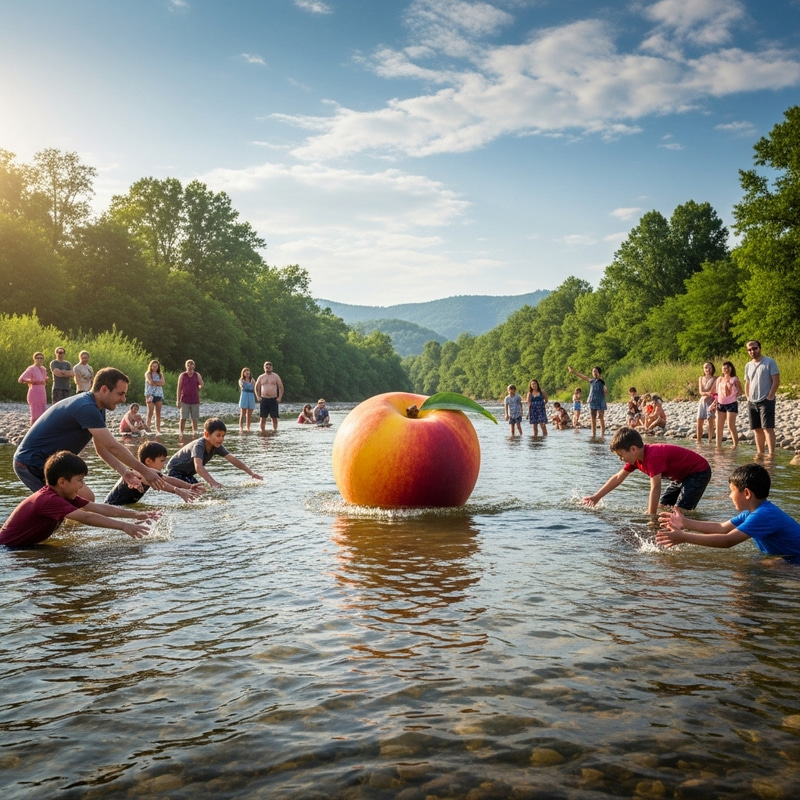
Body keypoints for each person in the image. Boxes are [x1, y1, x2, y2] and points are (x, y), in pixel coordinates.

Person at [13, 367, 166, 501]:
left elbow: (102, 449)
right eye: (120, 394)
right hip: (31, 463)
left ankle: (69, 532)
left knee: (87, 499)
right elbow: (112, 446)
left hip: (54, 465)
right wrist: (145, 471)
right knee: (62, 507)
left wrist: (124, 473)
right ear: (104, 389)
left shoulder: (98, 408)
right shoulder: (86, 407)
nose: (123, 399)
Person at [0, 451, 159, 548]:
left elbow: (98, 508)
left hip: (23, 546)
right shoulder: (49, 499)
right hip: (8, 549)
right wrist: (124, 527)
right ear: (62, 482)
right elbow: (87, 517)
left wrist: (137, 515)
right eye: (80, 480)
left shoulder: (63, 495)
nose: (82, 485)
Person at [657, 464, 800, 563]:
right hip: (790, 556)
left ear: (747, 493)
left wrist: (684, 537)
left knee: (764, 566)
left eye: (732, 491)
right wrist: (686, 522)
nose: (730, 496)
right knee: (761, 565)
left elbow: (728, 541)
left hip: (795, 559)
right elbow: (721, 527)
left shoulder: (763, 515)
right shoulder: (752, 512)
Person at [581, 427, 711, 516]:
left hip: (698, 472)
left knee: (681, 511)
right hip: (680, 477)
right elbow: (618, 478)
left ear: (633, 449)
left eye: (621, 455)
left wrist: (651, 517)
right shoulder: (636, 459)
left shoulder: (652, 457)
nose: (621, 459)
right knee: (663, 507)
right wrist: (596, 497)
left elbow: (655, 487)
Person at [164, 417, 263, 488]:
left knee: (200, 490)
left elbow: (232, 459)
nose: (221, 439)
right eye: (218, 435)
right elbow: (198, 467)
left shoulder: (216, 446)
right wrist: (213, 482)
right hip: (173, 472)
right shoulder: (199, 445)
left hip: (186, 473)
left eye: (223, 436)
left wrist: (251, 473)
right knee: (198, 491)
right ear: (207, 434)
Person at [105, 441, 204, 506]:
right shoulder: (140, 473)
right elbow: (162, 484)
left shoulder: (150, 472)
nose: (164, 465)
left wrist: (189, 486)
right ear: (148, 461)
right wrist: (179, 491)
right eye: (162, 461)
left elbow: (168, 479)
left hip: (122, 506)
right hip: (112, 506)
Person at [744, 340, 780, 456]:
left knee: (767, 428)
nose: (752, 351)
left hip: (766, 400)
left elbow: (776, 380)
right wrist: (748, 397)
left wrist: (770, 396)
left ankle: (771, 454)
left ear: (760, 348)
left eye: (754, 348)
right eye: (749, 350)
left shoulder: (769, 362)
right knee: (757, 429)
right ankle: (760, 453)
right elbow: (747, 383)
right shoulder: (748, 365)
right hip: (752, 401)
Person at [567, 366, 606, 436]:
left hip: (600, 401)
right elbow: (583, 376)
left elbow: (605, 390)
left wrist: (605, 391)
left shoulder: (601, 382)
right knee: (593, 418)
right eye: (593, 371)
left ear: (599, 373)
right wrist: (573, 371)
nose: (594, 373)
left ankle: (602, 435)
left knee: (601, 417)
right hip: (592, 401)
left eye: (595, 371)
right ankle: (593, 434)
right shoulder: (592, 381)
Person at [715, 361, 742, 447]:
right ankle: (718, 445)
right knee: (719, 425)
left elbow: (740, 391)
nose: (726, 369)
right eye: (724, 368)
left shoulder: (734, 379)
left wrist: (732, 392)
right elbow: (717, 392)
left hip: (731, 403)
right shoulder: (719, 379)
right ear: (722, 369)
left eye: (728, 367)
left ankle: (735, 444)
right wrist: (714, 403)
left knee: (730, 425)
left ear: (731, 368)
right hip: (720, 403)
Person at [18, 352, 49, 425]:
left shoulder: (43, 369)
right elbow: (21, 379)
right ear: (34, 359)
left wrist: (44, 380)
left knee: (42, 411)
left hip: (42, 392)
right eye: (37, 358)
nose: (39, 359)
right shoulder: (31, 368)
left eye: (41, 358)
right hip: (34, 391)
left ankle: (40, 427)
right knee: (35, 412)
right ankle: (33, 427)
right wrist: (32, 381)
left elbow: (43, 379)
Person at [254, 361, 284, 433]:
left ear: (272, 368)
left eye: (269, 367)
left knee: (274, 417)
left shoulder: (276, 376)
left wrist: (279, 397)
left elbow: (281, 387)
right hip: (264, 399)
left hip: (273, 399)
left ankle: (275, 430)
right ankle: (262, 431)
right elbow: (256, 387)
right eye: (266, 367)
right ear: (264, 368)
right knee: (263, 417)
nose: (268, 368)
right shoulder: (261, 377)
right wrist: (258, 396)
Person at [176, 359, 204, 436]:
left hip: (195, 400)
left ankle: (194, 433)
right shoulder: (182, 375)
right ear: (186, 366)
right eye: (188, 365)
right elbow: (179, 388)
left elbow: (202, 384)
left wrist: (199, 387)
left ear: (194, 366)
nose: (189, 366)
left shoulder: (197, 375)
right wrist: (178, 401)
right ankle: (181, 433)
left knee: (194, 418)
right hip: (184, 399)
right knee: (183, 418)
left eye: (191, 365)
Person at [696, 362, 717, 444]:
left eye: (709, 367)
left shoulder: (716, 378)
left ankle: (710, 440)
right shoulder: (701, 378)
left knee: (711, 420)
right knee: (699, 419)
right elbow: (701, 392)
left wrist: (709, 393)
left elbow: (714, 391)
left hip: (711, 400)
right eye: (705, 367)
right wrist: (707, 393)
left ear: (712, 369)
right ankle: (698, 440)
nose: (707, 369)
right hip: (702, 400)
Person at [144, 359, 165, 433]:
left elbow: (163, 383)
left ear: (158, 367)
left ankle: (158, 430)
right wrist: (158, 383)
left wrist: (155, 383)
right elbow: (150, 382)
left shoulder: (160, 374)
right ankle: (148, 428)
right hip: (150, 395)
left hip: (159, 395)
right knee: (150, 412)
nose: (154, 367)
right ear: (151, 366)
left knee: (158, 413)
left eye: (156, 366)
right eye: (153, 366)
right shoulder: (148, 373)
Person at [238, 367, 256, 432]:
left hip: (251, 396)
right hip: (244, 395)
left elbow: (255, 388)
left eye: (248, 371)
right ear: (243, 373)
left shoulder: (252, 380)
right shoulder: (241, 380)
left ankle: (248, 427)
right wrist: (243, 384)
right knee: (243, 413)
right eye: (245, 371)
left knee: (249, 414)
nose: (247, 372)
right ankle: (241, 427)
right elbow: (241, 385)